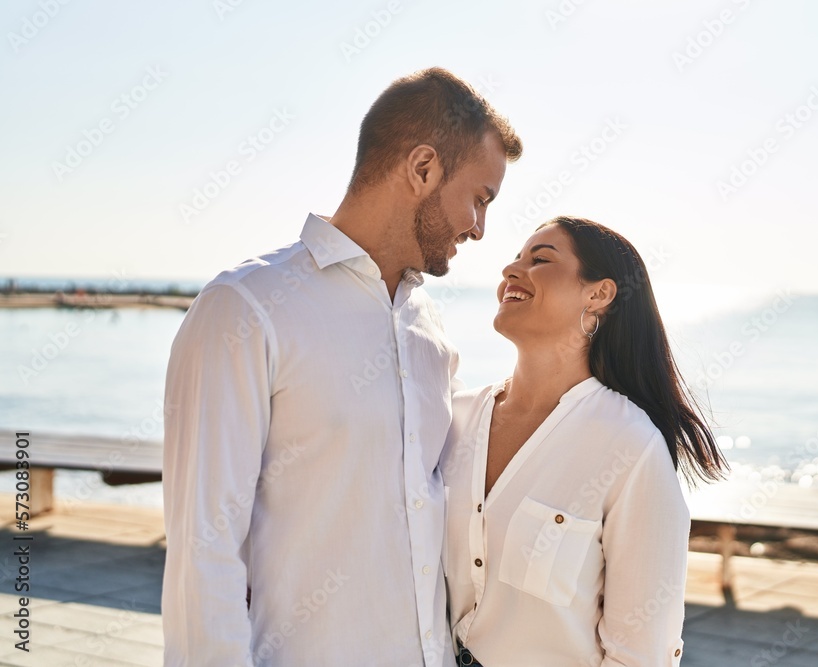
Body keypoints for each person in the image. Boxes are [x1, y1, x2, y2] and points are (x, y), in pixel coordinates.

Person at [161, 67, 521, 666]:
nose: (480, 229)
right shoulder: (244, 308)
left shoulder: (429, 330)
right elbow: (205, 550)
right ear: (423, 168)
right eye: (479, 198)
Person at [441, 217, 727, 666]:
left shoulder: (630, 446)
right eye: (516, 258)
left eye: (540, 259)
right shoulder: (453, 418)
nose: (511, 271)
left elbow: (642, 654)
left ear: (598, 294)